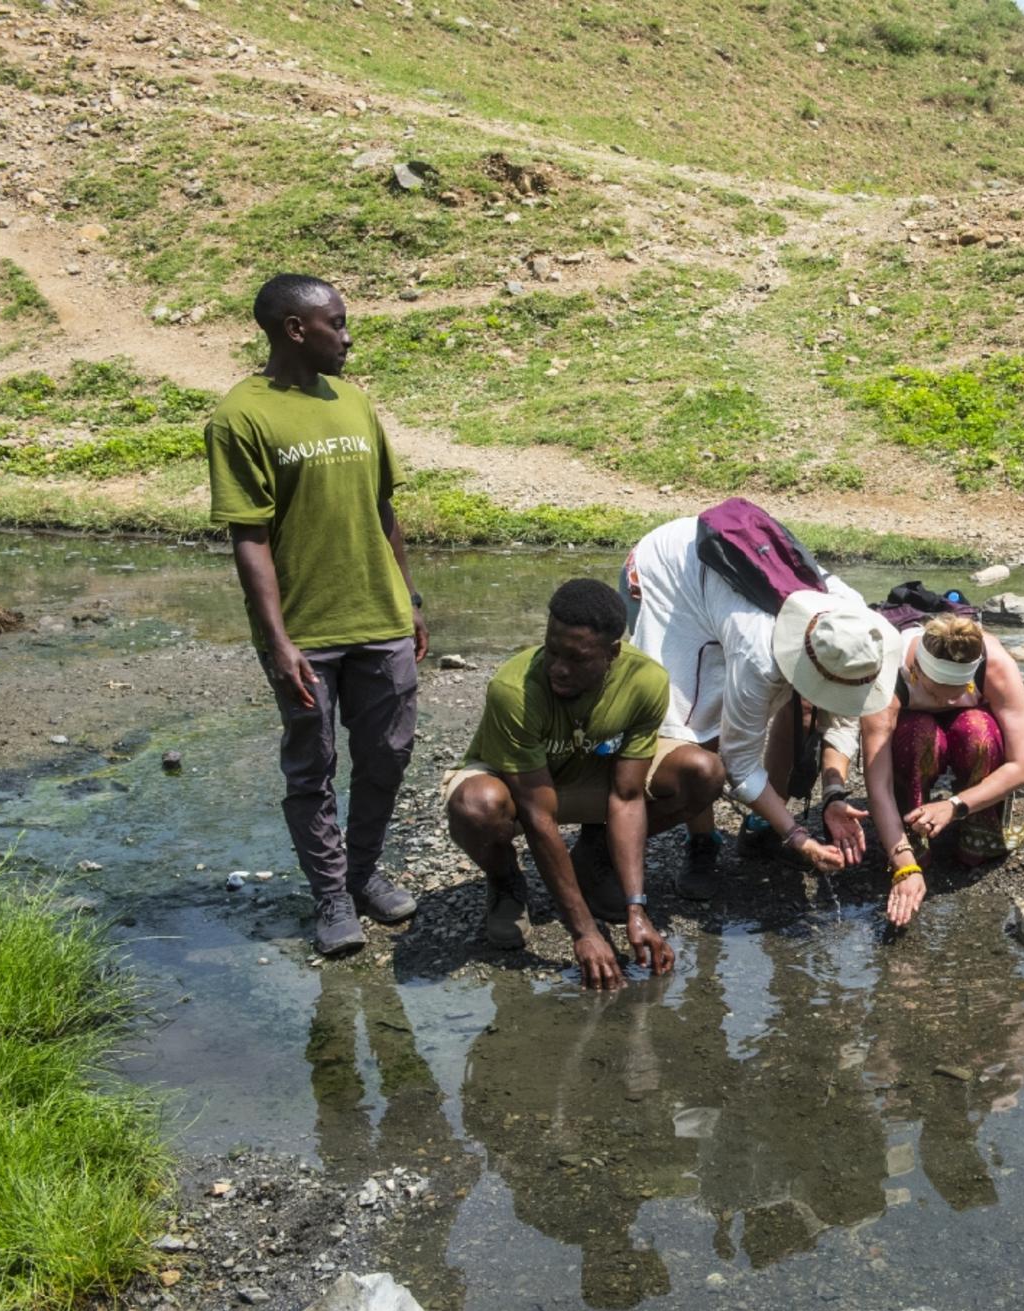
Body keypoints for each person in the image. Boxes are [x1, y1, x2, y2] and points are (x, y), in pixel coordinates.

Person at [207, 273, 427, 958]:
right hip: (306, 631)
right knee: (314, 766)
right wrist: (277, 641)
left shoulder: (354, 402)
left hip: (379, 615)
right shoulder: (240, 415)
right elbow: (249, 537)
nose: (348, 335)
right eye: (337, 322)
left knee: (388, 753)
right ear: (295, 329)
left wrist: (408, 596)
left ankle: (361, 873)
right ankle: (331, 897)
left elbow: (383, 507)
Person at [622, 512, 902, 896]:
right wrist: (798, 836)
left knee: (802, 710)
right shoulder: (759, 654)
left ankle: (763, 828)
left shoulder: (854, 624)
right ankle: (702, 841)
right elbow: (737, 762)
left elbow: (840, 718)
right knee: (700, 738)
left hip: (728, 586)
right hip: (665, 576)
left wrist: (833, 795)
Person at [441, 579, 676, 989]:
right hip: (520, 787)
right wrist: (584, 931)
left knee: (700, 772)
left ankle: (595, 856)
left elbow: (627, 795)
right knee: (476, 805)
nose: (558, 668)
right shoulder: (513, 691)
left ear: (612, 654)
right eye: (551, 650)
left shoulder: (645, 681)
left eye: (577, 658)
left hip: (584, 772)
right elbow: (536, 814)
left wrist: (637, 908)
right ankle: (506, 881)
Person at [853, 614, 1024, 928]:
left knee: (977, 731)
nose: (948, 700)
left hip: (971, 732)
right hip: (914, 734)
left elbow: (1021, 767)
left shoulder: (996, 666)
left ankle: (980, 834)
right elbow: (877, 785)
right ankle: (912, 833)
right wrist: (904, 867)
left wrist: (954, 805)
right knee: (918, 733)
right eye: (937, 693)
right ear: (917, 670)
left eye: (957, 691)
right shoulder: (885, 676)